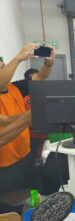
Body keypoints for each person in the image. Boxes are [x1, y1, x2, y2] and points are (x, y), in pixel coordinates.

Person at [0, 44, 55, 194]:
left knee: (28, 194)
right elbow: (5, 120)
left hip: (25, 153)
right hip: (4, 164)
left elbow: (41, 76)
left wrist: (48, 62)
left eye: (3, 64)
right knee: (10, 202)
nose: (3, 67)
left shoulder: (15, 87)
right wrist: (18, 58)